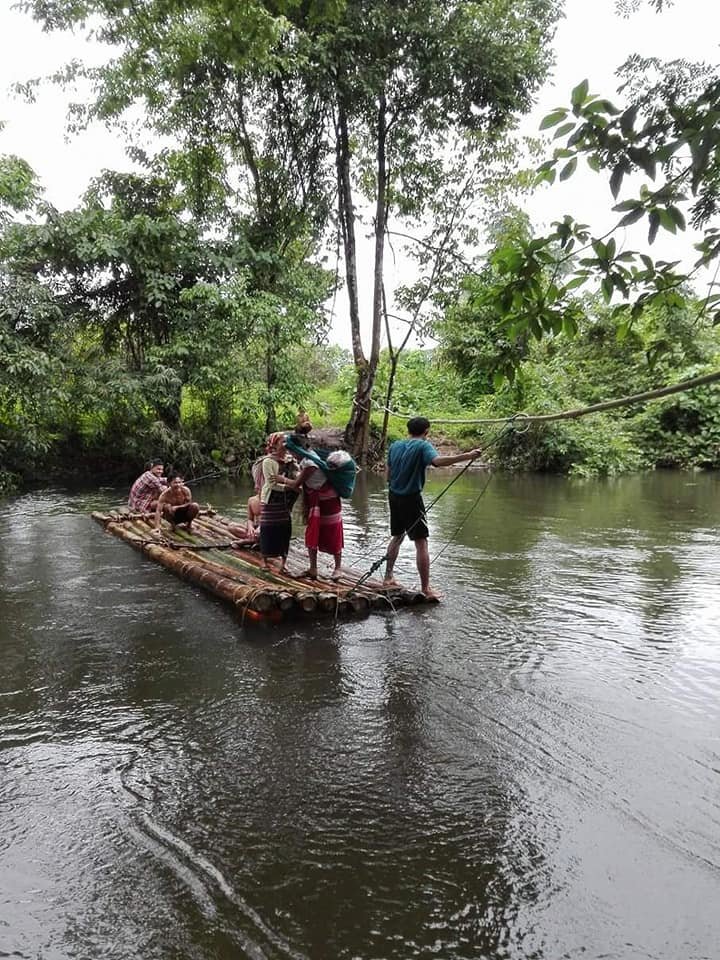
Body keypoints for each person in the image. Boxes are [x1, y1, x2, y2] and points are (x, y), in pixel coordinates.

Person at [384, 416, 483, 601]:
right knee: (421, 543)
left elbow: (388, 475)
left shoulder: (395, 445)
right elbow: (437, 461)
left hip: (393, 495)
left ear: (408, 430)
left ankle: (388, 577)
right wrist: (467, 456)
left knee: (397, 536)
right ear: (426, 432)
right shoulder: (423, 446)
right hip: (411, 499)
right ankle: (426, 589)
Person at [291, 439, 345, 581]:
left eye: (292, 451)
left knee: (333, 531)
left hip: (329, 501)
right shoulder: (309, 457)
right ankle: (313, 568)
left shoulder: (310, 463)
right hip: (318, 501)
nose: (291, 454)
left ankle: (338, 568)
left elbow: (296, 484)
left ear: (298, 449)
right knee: (313, 531)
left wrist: (281, 479)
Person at [258, 433, 298, 573]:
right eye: (282, 441)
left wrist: (289, 483)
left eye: (287, 441)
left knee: (285, 529)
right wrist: (291, 486)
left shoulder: (291, 460)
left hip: (285, 501)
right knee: (267, 529)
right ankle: (264, 560)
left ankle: (284, 563)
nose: (286, 443)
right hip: (270, 500)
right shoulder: (268, 461)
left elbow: (296, 476)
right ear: (275, 444)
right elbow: (272, 484)